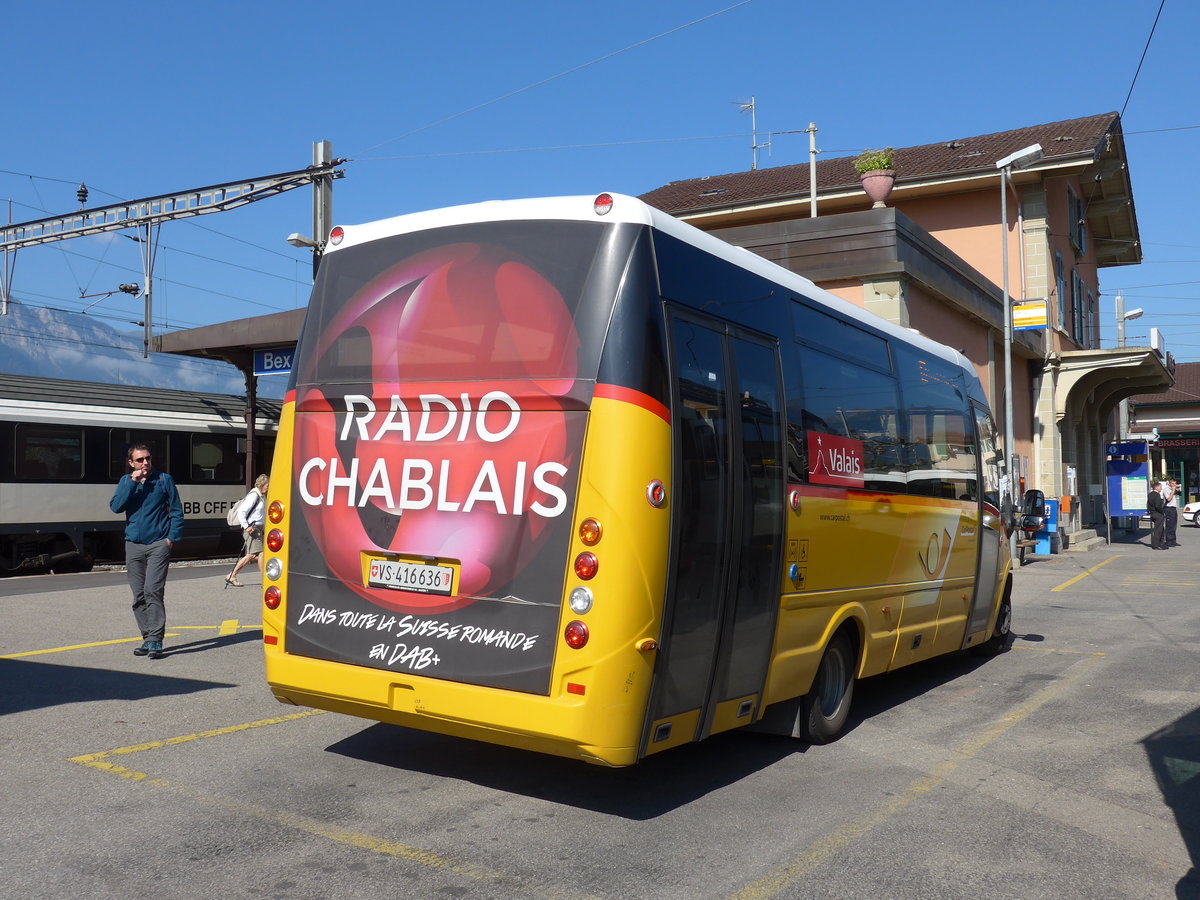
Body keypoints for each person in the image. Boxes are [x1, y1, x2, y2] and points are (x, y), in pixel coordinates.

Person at [109, 443, 184, 659]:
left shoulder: (164, 480)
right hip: (133, 544)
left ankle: (156, 640)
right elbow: (116, 507)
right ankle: (147, 638)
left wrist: (171, 539)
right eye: (140, 460)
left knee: (153, 590)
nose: (145, 463)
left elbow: (176, 511)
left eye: (148, 458)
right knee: (138, 595)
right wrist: (132, 483)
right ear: (131, 463)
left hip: (158, 544)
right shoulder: (126, 481)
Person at [226, 474, 269, 587]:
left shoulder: (261, 496)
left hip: (257, 529)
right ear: (262, 484)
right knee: (260, 553)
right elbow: (242, 512)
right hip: (252, 529)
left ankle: (232, 575)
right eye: (267, 485)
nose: (268, 488)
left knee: (251, 555)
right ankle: (265, 580)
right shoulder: (254, 496)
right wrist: (246, 526)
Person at [1147, 481, 1167, 550]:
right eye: (1160, 487)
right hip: (1158, 514)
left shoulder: (1150, 494)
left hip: (1153, 513)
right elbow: (1158, 506)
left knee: (1161, 529)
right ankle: (1156, 545)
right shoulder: (1157, 495)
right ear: (1156, 487)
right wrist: (1162, 512)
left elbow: (1148, 504)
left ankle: (1161, 544)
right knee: (1158, 530)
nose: (1161, 488)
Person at [1165, 479, 1181, 547]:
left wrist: (1177, 490)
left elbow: (1180, 493)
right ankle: (1169, 541)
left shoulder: (1173, 489)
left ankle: (1173, 541)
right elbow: (1168, 499)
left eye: (1175, 483)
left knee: (1174, 525)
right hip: (1169, 508)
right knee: (1169, 526)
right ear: (1169, 483)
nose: (1174, 485)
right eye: (1173, 483)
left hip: (1174, 508)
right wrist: (1173, 491)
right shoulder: (1167, 489)